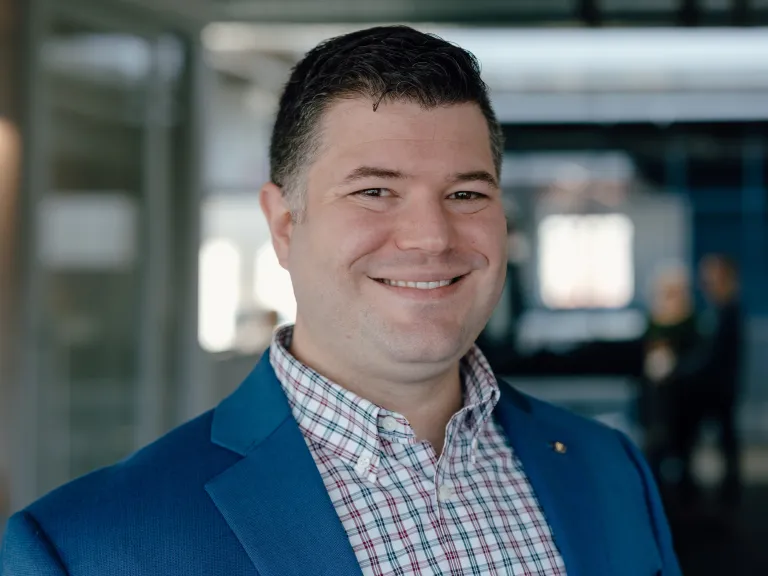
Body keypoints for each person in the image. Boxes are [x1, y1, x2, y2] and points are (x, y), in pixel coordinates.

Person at [1, 26, 680, 575]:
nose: (430, 236)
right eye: (374, 191)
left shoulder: (607, 468)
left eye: (466, 194)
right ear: (285, 225)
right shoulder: (86, 548)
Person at [673, 254, 743, 507]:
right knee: (721, 437)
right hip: (714, 387)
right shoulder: (716, 310)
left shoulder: (727, 310)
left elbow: (714, 356)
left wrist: (680, 372)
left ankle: (727, 491)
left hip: (717, 388)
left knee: (722, 437)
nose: (706, 283)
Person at [639, 264, 699, 485]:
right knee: (655, 446)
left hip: (682, 396)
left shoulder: (689, 320)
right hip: (655, 397)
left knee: (683, 449)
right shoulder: (654, 318)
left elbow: (695, 356)